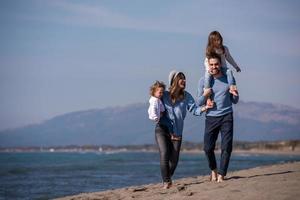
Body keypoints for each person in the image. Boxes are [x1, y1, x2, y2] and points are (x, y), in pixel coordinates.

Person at [154, 70, 201, 189]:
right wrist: (154, 114)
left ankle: (167, 177)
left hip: (177, 132)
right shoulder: (163, 95)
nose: (184, 81)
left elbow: (195, 110)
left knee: (174, 161)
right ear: (174, 81)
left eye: (185, 78)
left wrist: (205, 108)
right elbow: (153, 102)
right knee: (164, 154)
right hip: (162, 129)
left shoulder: (187, 96)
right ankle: (166, 182)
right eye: (181, 78)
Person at [197, 52, 239, 183]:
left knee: (226, 147)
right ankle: (214, 170)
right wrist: (205, 96)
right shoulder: (203, 81)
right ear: (207, 65)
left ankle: (221, 175)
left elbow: (235, 100)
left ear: (220, 64)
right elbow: (199, 102)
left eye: (216, 64)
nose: (214, 67)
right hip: (211, 118)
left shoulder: (228, 78)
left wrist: (235, 94)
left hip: (227, 115)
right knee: (207, 148)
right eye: (211, 64)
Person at [204, 31, 241, 106]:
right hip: (212, 69)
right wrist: (209, 69)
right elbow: (206, 61)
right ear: (212, 42)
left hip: (223, 67)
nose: (219, 41)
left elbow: (229, 58)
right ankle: (207, 90)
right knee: (207, 76)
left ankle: (232, 87)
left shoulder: (224, 49)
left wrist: (236, 66)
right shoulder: (210, 50)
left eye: (219, 39)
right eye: (216, 40)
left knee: (229, 72)